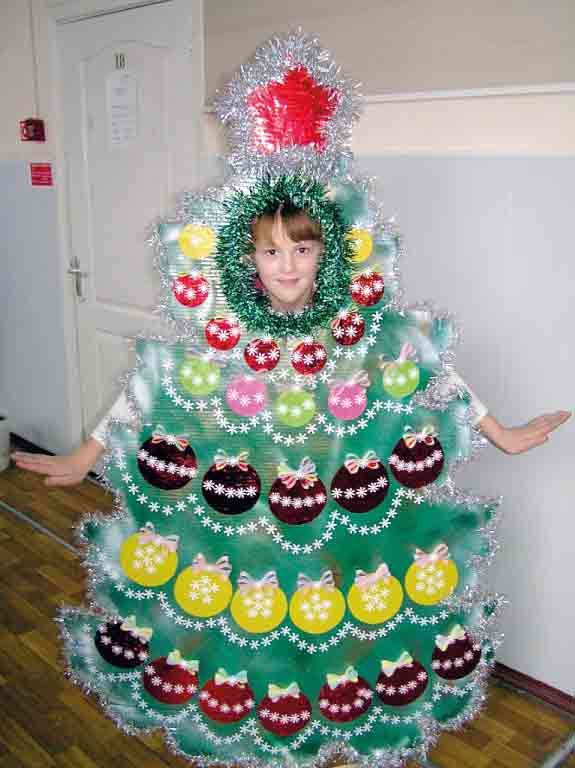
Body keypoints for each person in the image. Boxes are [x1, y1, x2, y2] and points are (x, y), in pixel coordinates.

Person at [11, 205, 570, 486]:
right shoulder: (225, 327)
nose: (287, 266)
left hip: (336, 484)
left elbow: (426, 366)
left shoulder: (352, 322)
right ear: (250, 258)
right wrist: (86, 455)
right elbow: (152, 385)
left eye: (302, 250)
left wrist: (500, 433)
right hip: (249, 488)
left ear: (323, 254)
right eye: (271, 251)